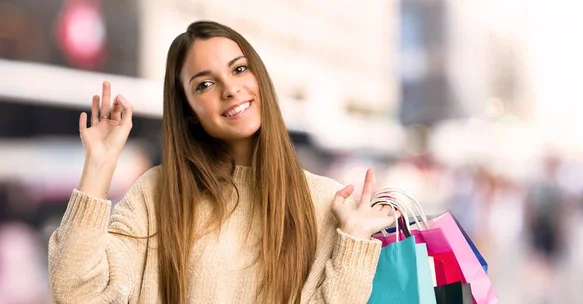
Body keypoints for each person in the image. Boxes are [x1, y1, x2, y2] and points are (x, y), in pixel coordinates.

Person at [48, 21, 395, 304]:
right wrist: (100, 163)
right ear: (189, 113)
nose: (230, 89)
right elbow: (75, 292)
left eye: (240, 69)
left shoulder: (325, 202)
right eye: (205, 84)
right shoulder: (156, 193)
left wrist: (353, 241)